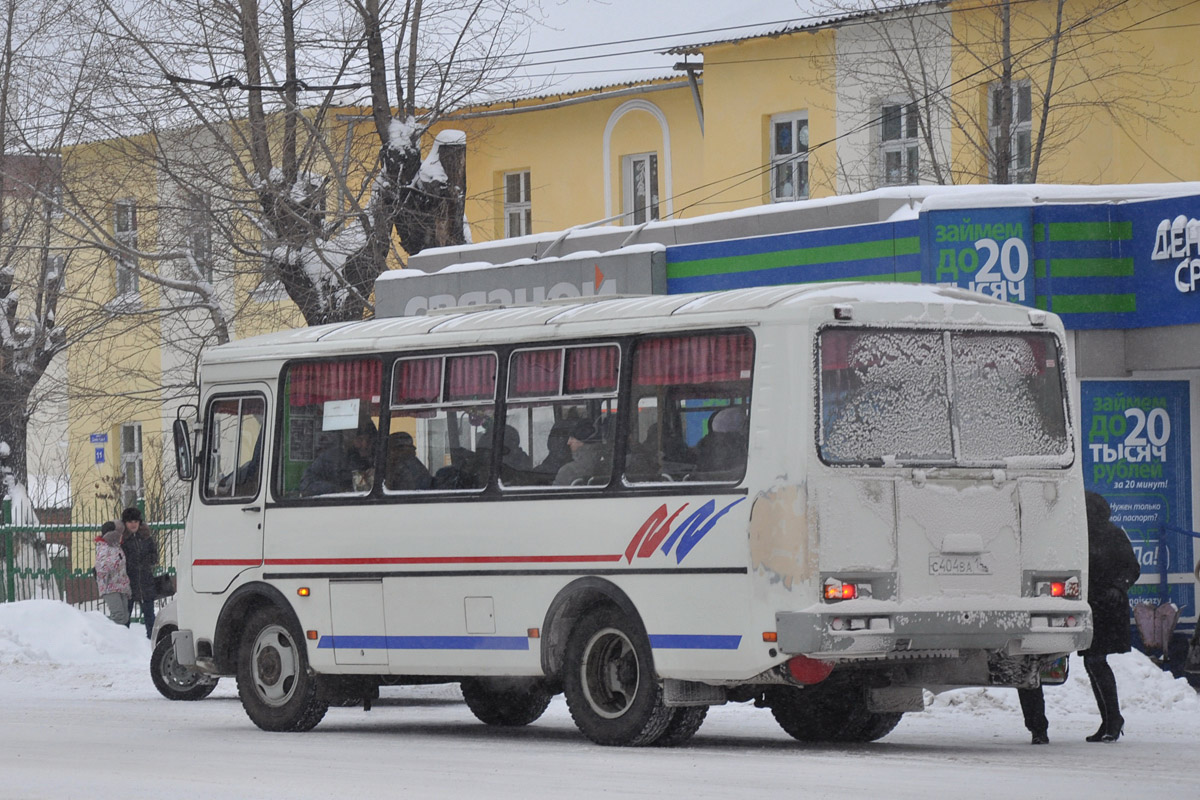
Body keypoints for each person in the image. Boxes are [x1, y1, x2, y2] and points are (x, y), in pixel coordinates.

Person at [1079, 490, 1141, 742]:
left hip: (1107, 605)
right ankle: (1109, 720)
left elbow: (1132, 567)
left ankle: (1112, 719)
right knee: (1091, 660)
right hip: (1092, 605)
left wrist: (1118, 586)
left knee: (1095, 660)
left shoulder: (1112, 534)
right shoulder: (1082, 535)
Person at [299, 420, 377, 495]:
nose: (364, 445)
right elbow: (306, 485)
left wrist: (377, 476)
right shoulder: (331, 459)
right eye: (360, 440)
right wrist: (339, 490)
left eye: (369, 440)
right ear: (350, 439)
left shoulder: (382, 458)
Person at [120, 506, 160, 639]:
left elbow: (154, 555)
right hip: (128, 582)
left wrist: (147, 561)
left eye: (136, 521)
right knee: (125, 616)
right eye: (130, 521)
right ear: (125, 523)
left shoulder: (146, 537)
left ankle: (152, 641)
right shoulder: (122, 540)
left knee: (149, 615)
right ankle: (123, 641)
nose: (133, 524)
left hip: (145, 581)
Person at [94, 521, 131, 627]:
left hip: (121, 586)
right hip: (109, 587)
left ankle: (122, 639)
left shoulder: (117, 547)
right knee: (118, 616)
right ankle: (113, 638)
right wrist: (116, 561)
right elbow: (101, 568)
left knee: (125, 616)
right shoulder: (104, 548)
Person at [553, 420, 611, 486]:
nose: (568, 442)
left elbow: (553, 494)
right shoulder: (606, 467)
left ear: (582, 442)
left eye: (572, 438)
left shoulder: (567, 471)